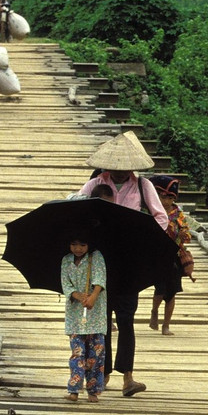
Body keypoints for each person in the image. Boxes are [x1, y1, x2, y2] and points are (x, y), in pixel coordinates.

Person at [77, 131, 168, 397]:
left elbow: (161, 218)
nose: (119, 172)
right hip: (101, 259)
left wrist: (143, 237)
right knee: (102, 319)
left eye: (125, 168)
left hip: (130, 259)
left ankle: (128, 377)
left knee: (126, 318)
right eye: (115, 168)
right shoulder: (96, 183)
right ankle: (103, 374)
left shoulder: (143, 186)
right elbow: (76, 205)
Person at [60, 231, 107, 403]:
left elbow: (100, 279)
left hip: (95, 314)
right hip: (75, 314)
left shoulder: (96, 257)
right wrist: (77, 295)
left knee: (96, 354)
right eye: (74, 244)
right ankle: (74, 389)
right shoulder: (66, 260)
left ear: (89, 245)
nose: (78, 248)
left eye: (82, 245)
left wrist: (93, 297)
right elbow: (65, 283)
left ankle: (93, 390)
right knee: (77, 353)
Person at [147, 175, 191, 336]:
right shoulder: (152, 211)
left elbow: (186, 232)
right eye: (163, 197)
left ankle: (166, 325)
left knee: (172, 292)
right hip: (157, 255)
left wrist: (183, 235)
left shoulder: (178, 213)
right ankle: (154, 311)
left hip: (174, 255)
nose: (166, 201)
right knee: (160, 288)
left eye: (170, 198)